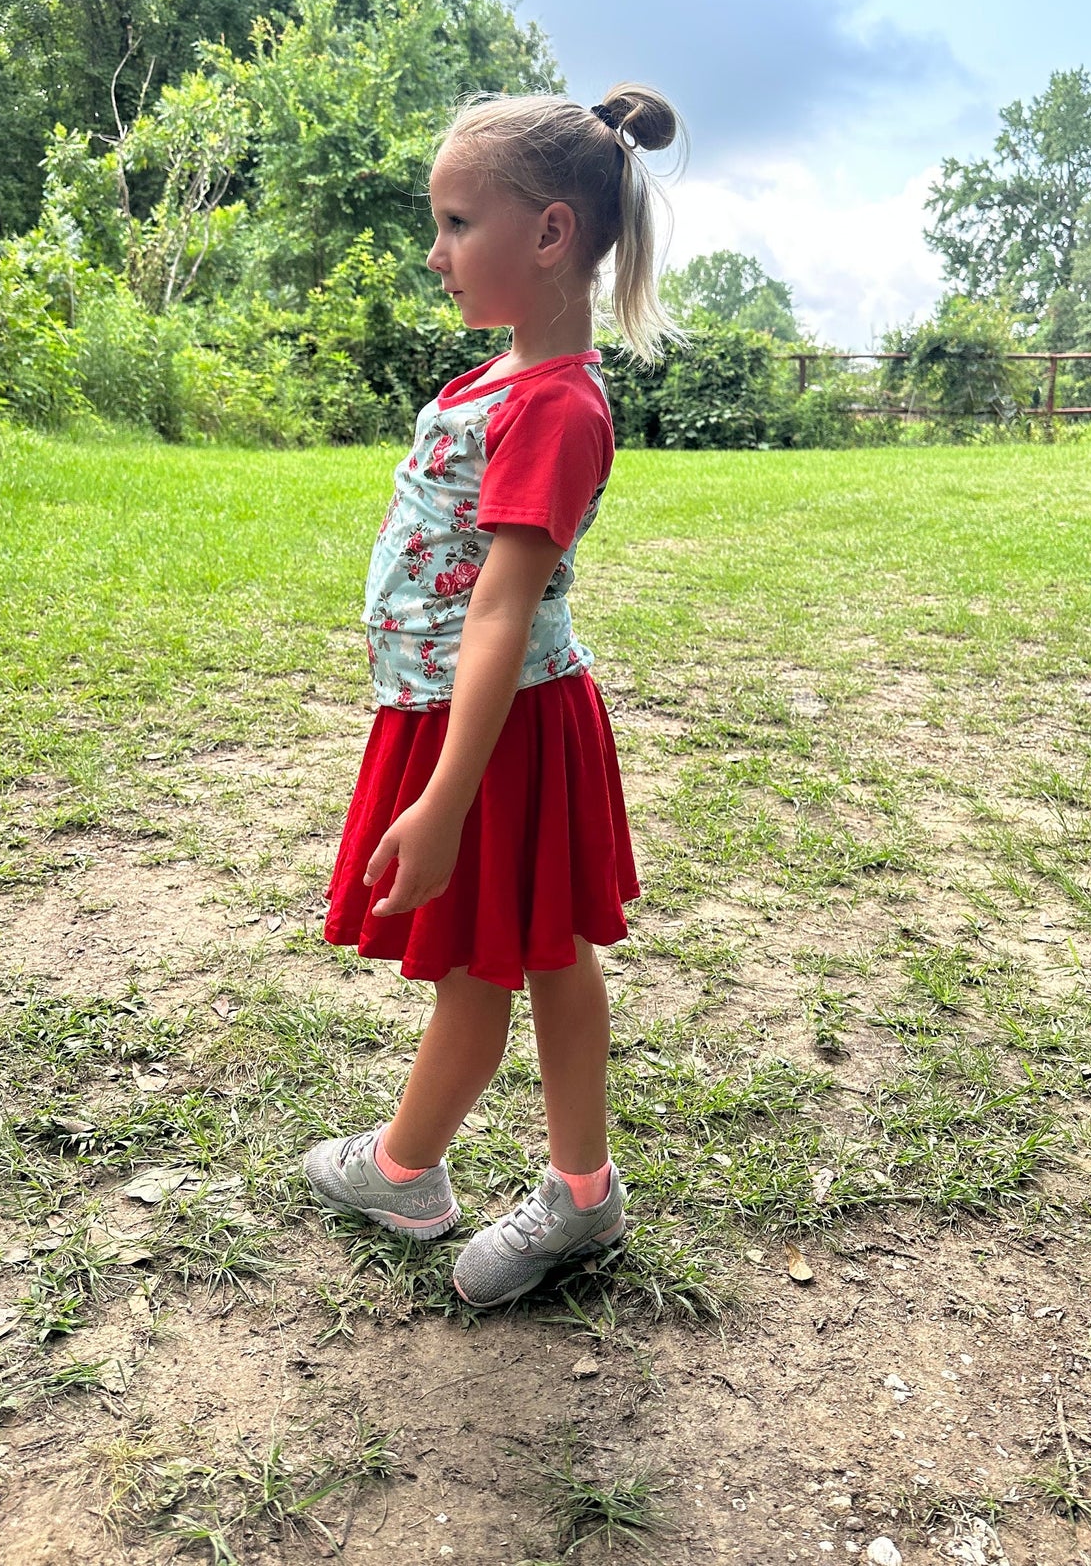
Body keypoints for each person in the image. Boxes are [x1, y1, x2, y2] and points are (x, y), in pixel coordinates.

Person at [303, 82, 683, 1307]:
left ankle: (423, 1173)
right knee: (534, 952)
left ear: (551, 233)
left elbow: (500, 610)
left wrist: (446, 799)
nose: (436, 251)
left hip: (497, 731)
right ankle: (553, 1187)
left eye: (459, 222)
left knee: (496, 958)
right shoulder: (499, 378)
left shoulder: (557, 407)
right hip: (472, 719)